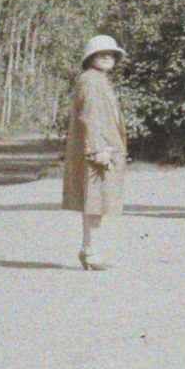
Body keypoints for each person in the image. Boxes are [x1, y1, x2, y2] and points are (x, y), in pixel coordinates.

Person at [62, 34, 129, 271]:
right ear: (90, 58)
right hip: (99, 151)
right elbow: (89, 117)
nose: (107, 57)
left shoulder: (98, 80)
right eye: (101, 54)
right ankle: (90, 250)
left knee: (97, 203)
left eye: (111, 54)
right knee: (95, 203)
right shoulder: (91, 80)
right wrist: (97, 150)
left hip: (104, 148)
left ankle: (89, 248)